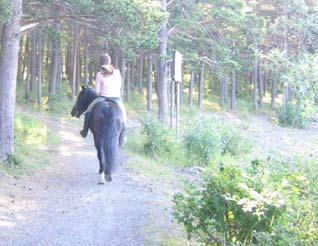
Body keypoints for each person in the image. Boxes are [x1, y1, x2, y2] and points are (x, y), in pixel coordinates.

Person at [80, 53, 127, 146]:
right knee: (124, 117)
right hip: (116, 99)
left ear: (101, 63)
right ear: (110, 62)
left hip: (102, 98)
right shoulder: (117, 72)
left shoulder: (99, 74)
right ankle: (121, 138)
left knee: (89, 110)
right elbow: (119, 86)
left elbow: (97, 91)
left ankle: (84, 131)